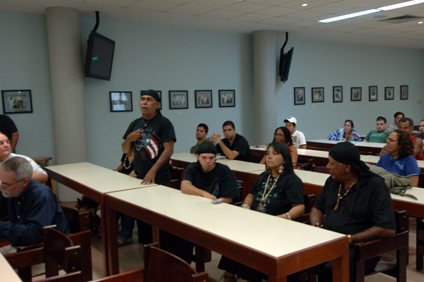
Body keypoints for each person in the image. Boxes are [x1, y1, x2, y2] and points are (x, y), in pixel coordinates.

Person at [310, 142, 396, 282]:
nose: (328, 167)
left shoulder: (374, 186)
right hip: (327, 240)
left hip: (358, 248)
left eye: (332, 163)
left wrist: (349, 239)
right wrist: (316, 227)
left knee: (332, 270)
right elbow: (318, 208)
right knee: (293, 257)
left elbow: (386, 228)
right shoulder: (332, 181)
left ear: (347, 167)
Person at [218, 142, 305, 282]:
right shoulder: (264, 177)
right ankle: (229, 275)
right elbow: (250, 196)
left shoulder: (291, 180)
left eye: (275, 154)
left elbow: (300, 207)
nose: (269, 157)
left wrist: (283, 217)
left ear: (284, 159)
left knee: (253, 242)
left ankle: (249, 277)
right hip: (256, 222)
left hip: (276, 226)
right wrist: (246, 208)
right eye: (268, 153)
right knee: (234, 237)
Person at [122, 89, 176, 245]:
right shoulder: (135, 123)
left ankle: (162, 247)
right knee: (142, 215)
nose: (144, 102)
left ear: (157, 104)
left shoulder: (164, 123)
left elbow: (169, 150)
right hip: (138, 176)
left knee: (157, 214)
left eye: (149, 99)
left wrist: (153, 170)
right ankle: (146, 247)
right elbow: (125, 150)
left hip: (158, 175)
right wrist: (129, 139)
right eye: (142, 99)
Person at [177, 142, 240, 263]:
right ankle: (182, 267)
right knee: (179, 234)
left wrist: (214, 203)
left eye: (211, 158)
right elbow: (184, 186)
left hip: (218, 216)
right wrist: (204, 194)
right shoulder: (192, 168)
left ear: (216, 157)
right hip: (196, 213)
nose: (207, 161)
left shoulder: (224, 171)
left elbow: (228, 199)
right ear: (197, 157)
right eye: (204, 158)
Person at [0, 157, 69, 255]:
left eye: (6, 184)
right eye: (1, 182)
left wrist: (2, 227)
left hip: (48, 251)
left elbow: (34, 234)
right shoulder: (12, 189)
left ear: (24, 182)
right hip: (23, 244)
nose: (2, 187)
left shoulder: (42, 196)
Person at [115, 143, 137, 247]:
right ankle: (112, 228)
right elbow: (122, 165)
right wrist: (115, 171)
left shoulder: (141, 153)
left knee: (128, 202)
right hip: (125, 181)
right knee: (115, 200)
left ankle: (126, 234)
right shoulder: (126, 153)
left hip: (136, 182)